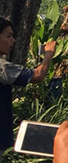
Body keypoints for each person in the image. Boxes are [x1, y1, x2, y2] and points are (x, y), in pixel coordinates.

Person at [0, 18, 56, 153]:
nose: (13, 41)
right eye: (8, 36)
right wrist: (48, 55)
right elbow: (37, 75)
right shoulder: (3, 68)